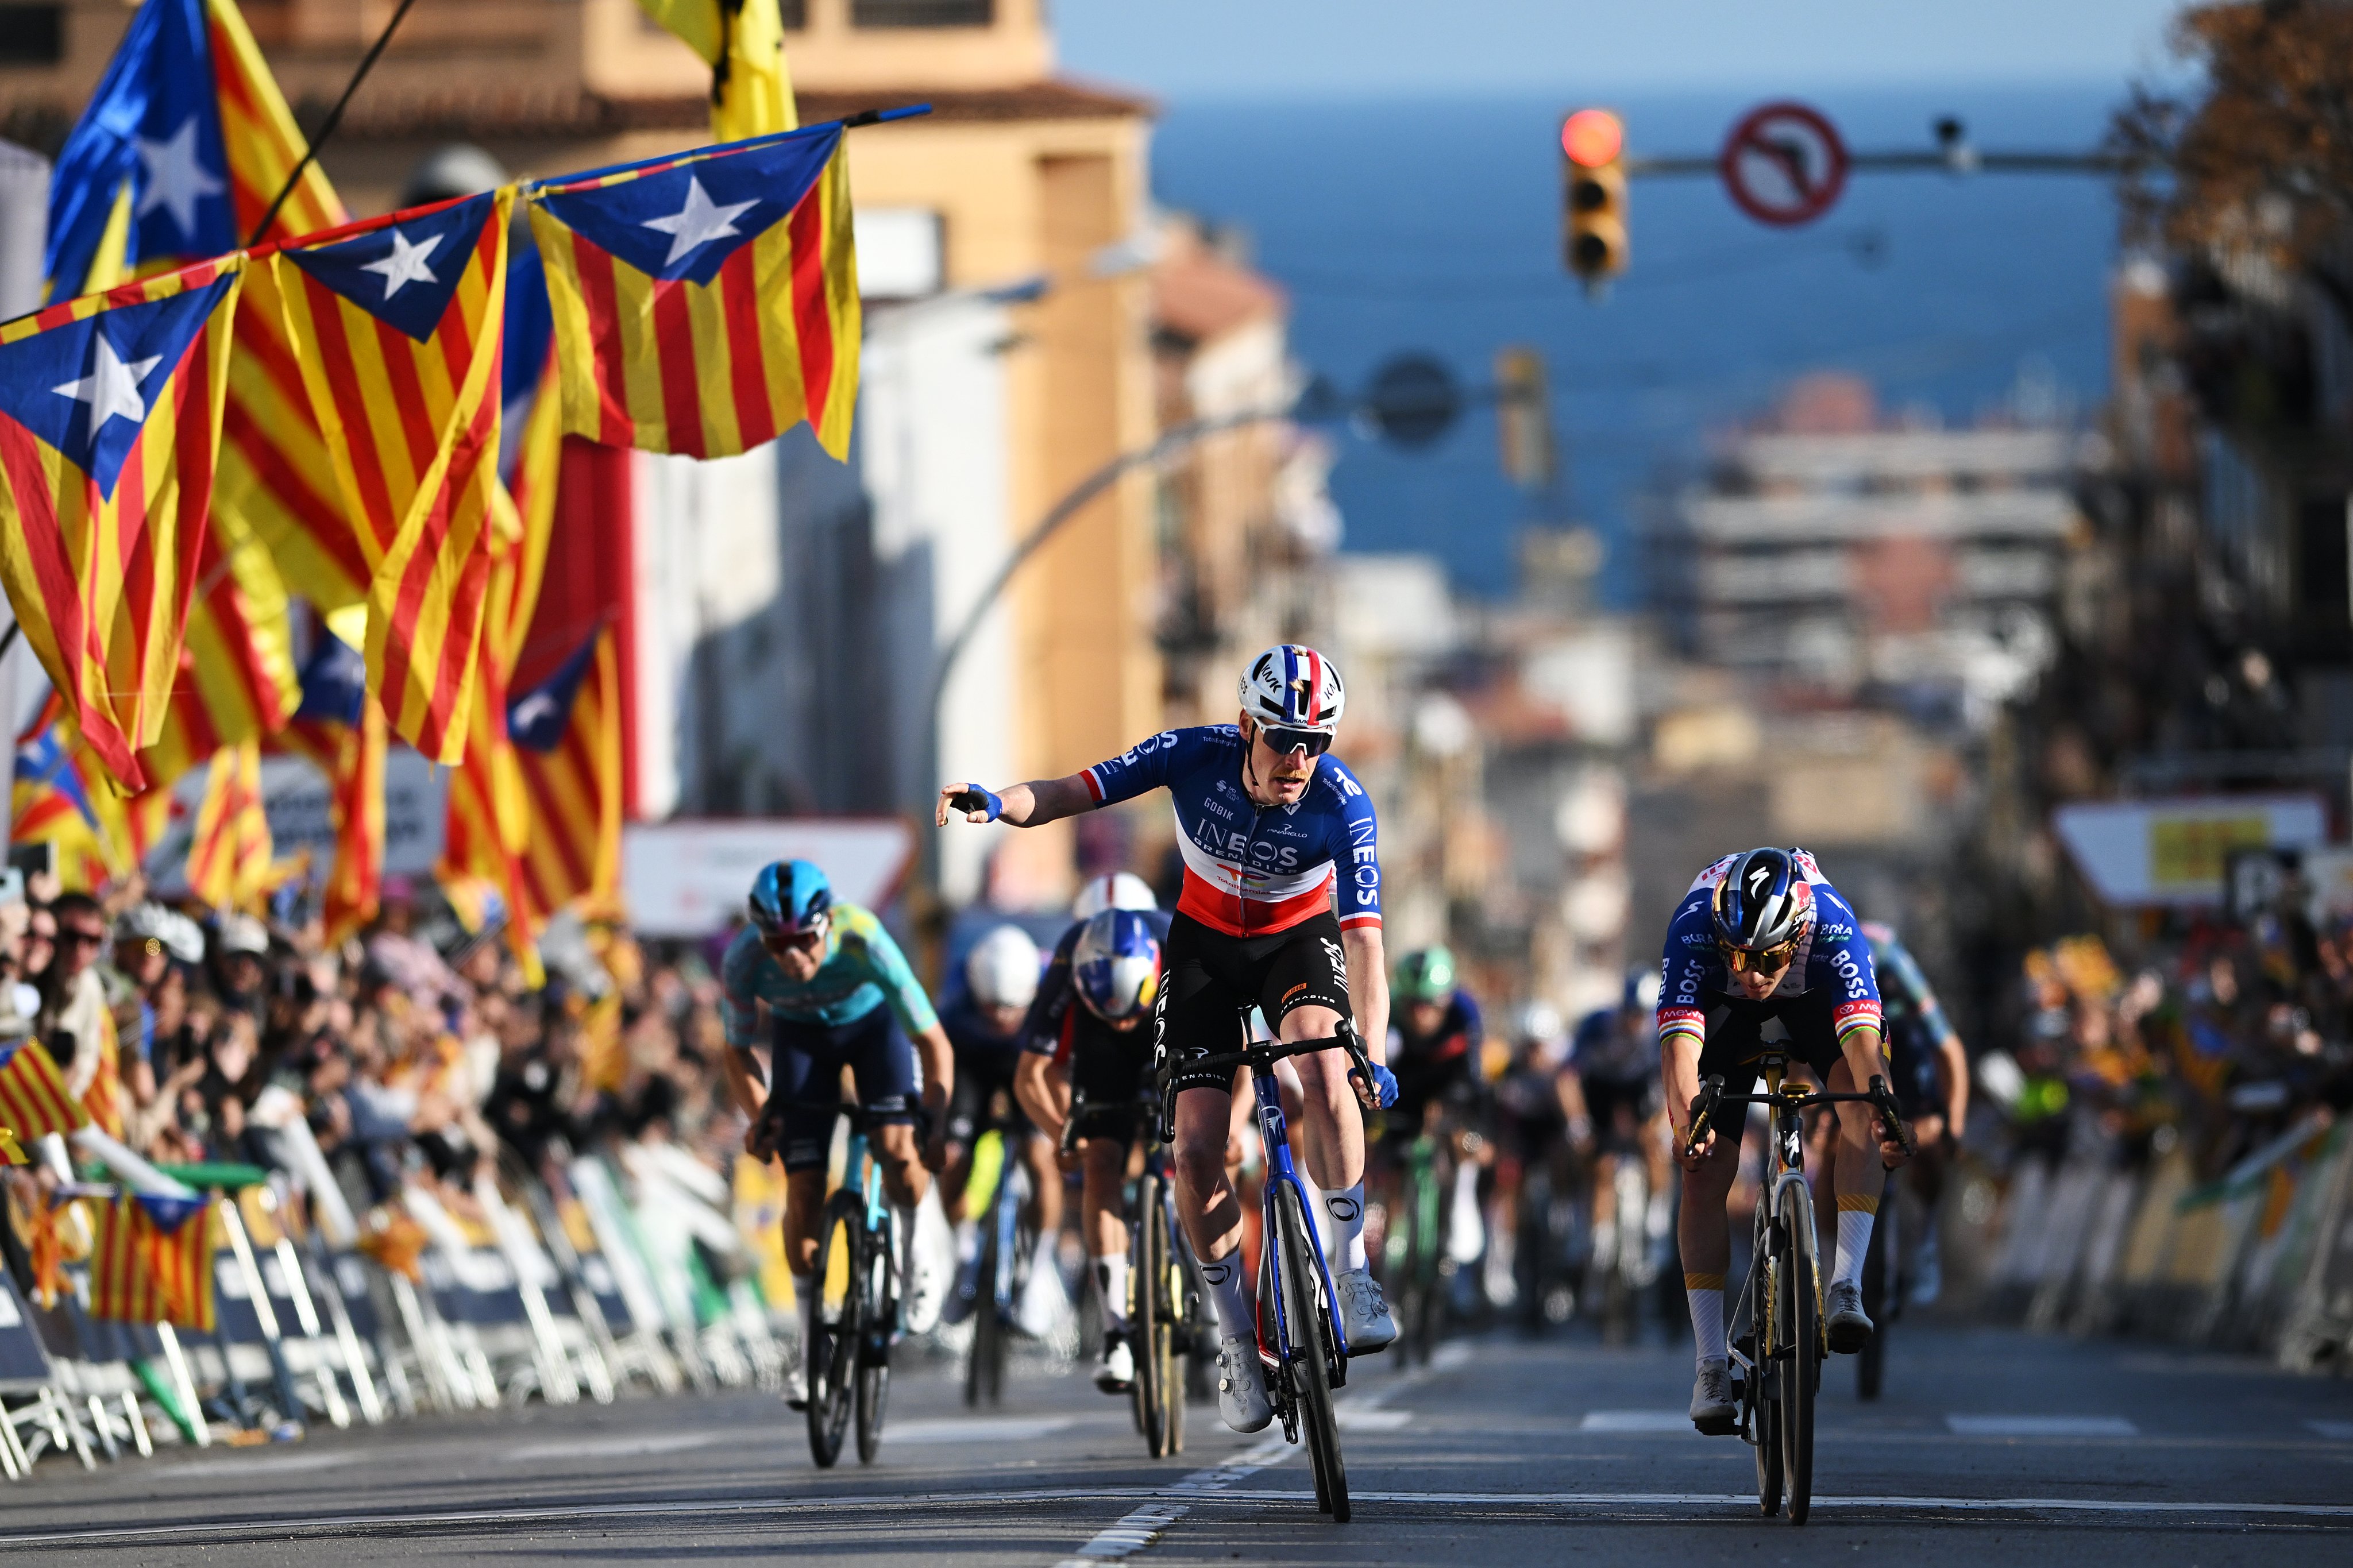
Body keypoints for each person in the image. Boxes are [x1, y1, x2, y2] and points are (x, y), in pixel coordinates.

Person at [940, 643, 1401, 1435]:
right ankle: (1235, 1341)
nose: (1299, 759)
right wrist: (996, 802)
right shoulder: (1191, 755)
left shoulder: (1344, 803)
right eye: (1285, 738)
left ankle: (1353, 1271)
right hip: (1201, 952)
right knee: (1193, 1150)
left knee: (1328, 1072)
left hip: (1295, 943)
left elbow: (1364, 943)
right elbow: (1072, 791)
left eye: (1316, 741)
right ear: (1246, 725)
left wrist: (1375, 1054)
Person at [1658, 846, 1908, 1435]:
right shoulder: (1694, 928)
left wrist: (1885, 1115)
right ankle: (1710, 1366)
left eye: (1768, 958)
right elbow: (1680, 1057)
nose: (1752, 974)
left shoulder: (1832, 925)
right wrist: (1687, 1130)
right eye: (1739, 956)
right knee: (1702, 1167)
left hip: (1813, 999)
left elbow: (1865, 1048)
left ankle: (1846, 1285)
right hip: (1722, 1013)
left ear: (1795, 937)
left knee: (1863, 1105)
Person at [718, 859, 955, 1408]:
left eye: (803, 939)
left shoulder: (863, 937)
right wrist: (761, 1116)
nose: (792, 956)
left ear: (826, 924)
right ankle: (810, 1351)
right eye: (778, 944)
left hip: (875, 1032)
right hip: (802, 1043)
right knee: (802, 1190)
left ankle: (914, 1251)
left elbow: (933, 1041)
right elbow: (736, 1050)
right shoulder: (742, 960)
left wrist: (936, 1120)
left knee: (897, 1149)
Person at [1015, 907, 1166, 1393]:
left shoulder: (1178, 943)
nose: (1123, 1024)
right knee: (1101, 1164)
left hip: (1167, 1025)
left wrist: (1227, 1130)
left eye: (1128, 1015)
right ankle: (1116, 1332)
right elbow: (1029, 1076)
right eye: (1111, 1014)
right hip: (1101, 1054)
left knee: (1197, 1143)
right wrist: (1064, 1135)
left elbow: (1239, 1050)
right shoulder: (1069, 961)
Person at [937, 924, 1060, 1327]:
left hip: (1030, 1066)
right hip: (973, 1068)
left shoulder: (1051, 985)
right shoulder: (956, 996)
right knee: (952, 1157)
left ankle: (1038, 1270)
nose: (1002, 1019)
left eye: (1012, 1009)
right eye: (991, 1009)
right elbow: (940, 1056)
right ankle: (964, 1253)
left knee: (1040, 1157)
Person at [1853, 921, 1968, 1304]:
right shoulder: (1818, 964)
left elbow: (1949, 1049)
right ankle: (1827, 1253)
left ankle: (1925, 1236)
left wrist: (1953, 1127)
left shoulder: (1887, 954)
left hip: (1900, 1041)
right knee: (1833, 1140)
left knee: (1929, 1136)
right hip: (1849, 1044)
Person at [1567, 968, 1673, 1303]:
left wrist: (1660, 1123)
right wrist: (1577, 1122)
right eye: (1631, 1014)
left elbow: (1675, 1079)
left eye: (1643, 1015)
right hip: (1600, 1095)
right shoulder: (1597, 1025)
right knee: (1599, 1162)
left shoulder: (1662, 1030)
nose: (1636, 1022)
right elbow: (1567, 1079)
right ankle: (1595, 1240)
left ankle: (1657, 1222)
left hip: (1641, 1095)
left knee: (1656, 1148)